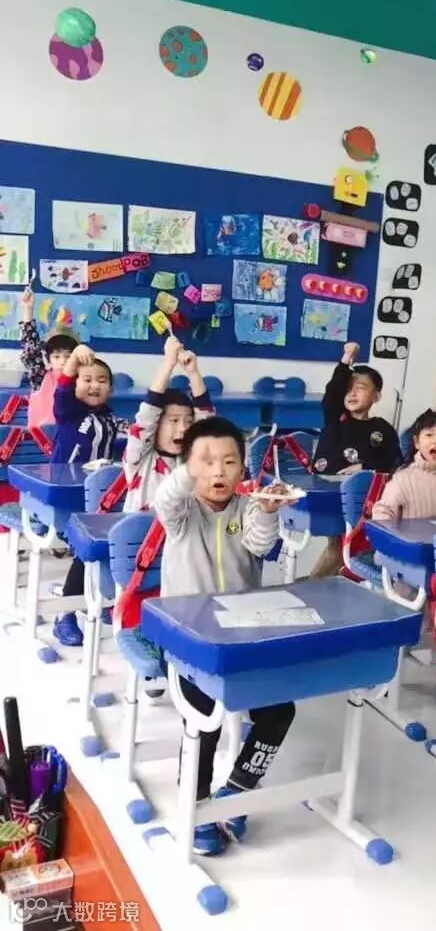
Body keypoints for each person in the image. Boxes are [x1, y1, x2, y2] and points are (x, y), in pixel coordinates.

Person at [153, 416, 297, 857]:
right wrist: (188, 471)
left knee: (279, 711)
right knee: (203, 721)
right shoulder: (182, 513)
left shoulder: (247, 507)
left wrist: (268, 512)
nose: (218, 471)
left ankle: (238, 789)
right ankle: (195, 805)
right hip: (189, 638)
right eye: (207, 461)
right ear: (188, 466)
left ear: (243, 468)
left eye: (230, 461)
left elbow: (258, 545)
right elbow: (165, 498)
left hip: (243, 634)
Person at [309, 343, 401, 579]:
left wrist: (365, 467)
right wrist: (346, 359)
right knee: (337, 549)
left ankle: (328, 584)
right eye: (348, 388)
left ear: (376, 396)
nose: (351, 393)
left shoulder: (382, 429)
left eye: (360, 388)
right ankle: (314, 585)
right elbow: (332, 394)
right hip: (329, 496)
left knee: (346, 550)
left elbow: (395, 461)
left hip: (364, 502)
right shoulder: (335, 418)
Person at [52, 344, 122, 646]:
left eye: (102, 380)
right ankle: (64, 615)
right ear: (76, 384)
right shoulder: (69, 412)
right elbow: (61, 390)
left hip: (97, 500)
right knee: (86, 551)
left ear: (111, 389)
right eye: (87, 379)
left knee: (111, 543)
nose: (95, 385)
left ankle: (98, 598)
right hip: (67, 499)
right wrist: (72, 362)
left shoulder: (109, 418)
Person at [122, 335, 213, 512]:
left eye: (189, 421)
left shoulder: (191, 460)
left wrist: (193, 373)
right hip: (141, 529)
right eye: (174, 420)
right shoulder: (139, 457)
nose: (183, 428)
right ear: (156, 425)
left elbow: (206, 421)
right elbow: (148, 414)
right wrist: (168, 363)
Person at [17, 284, 78, 429]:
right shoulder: (40, 375)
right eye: (57, 356)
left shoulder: (81, 379)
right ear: (49, 357)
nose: (63, 361)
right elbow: (30, 344)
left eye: (68, 356)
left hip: (68, 437)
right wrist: (28, 310)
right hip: (40, 437)